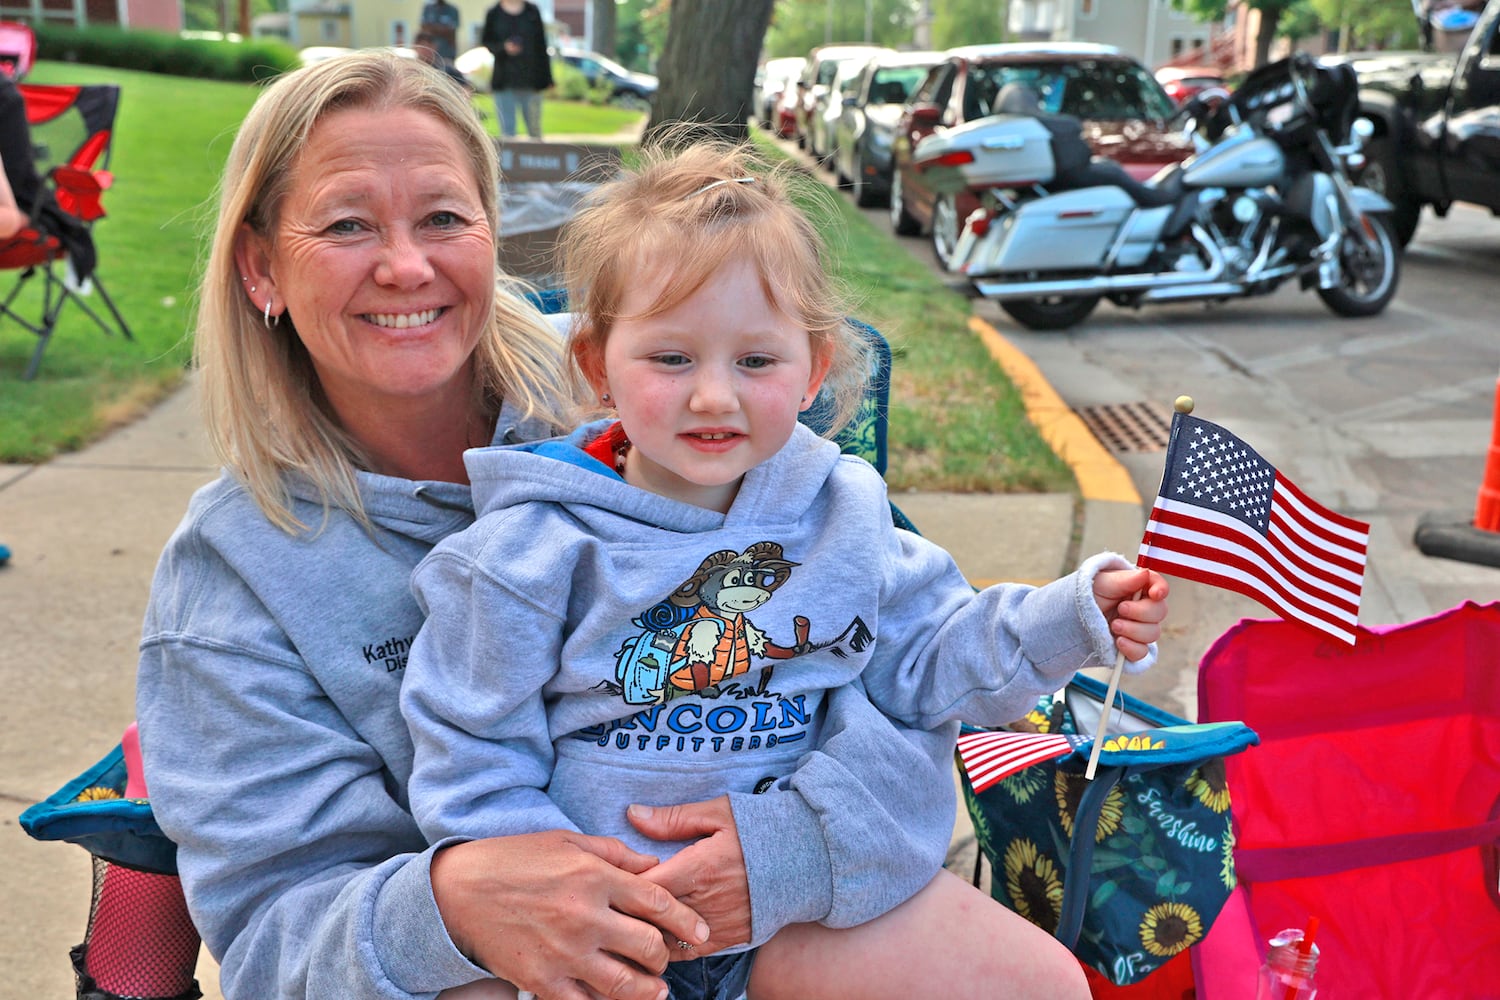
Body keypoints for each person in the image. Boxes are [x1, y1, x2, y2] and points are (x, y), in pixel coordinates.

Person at [130, 49, 1090, 1000]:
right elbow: (272, 937)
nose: (406, 265)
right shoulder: (236, 574)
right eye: (346, 225)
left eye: (443, 218)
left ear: (490, 231)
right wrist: (454, 904)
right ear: (259, 267)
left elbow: (883, 649)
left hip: (785, 902)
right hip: (507, 966)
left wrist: (796, 850)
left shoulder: (670, 375)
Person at [399, 140, 1170, 999]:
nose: (715, 397)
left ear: (814, 371)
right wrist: (568, 901)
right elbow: (472, 753)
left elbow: (932, 660)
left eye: (756, 361)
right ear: (598, 366)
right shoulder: (529, 551)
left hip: (801, 904)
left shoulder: (841, 514)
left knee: (1045, 985)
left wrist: (1069, 617)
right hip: (596, 931)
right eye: (672, 358)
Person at [481, 0, 552, 140]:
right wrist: (503, 48)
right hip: (504, 78)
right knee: (508, 132)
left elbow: (541, 45)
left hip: (531, 78)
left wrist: (547, 78)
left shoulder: (532, 12)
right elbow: (487, 41)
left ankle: (537, 159)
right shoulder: (494, 13)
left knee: (535, 131)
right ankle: (508, 161)